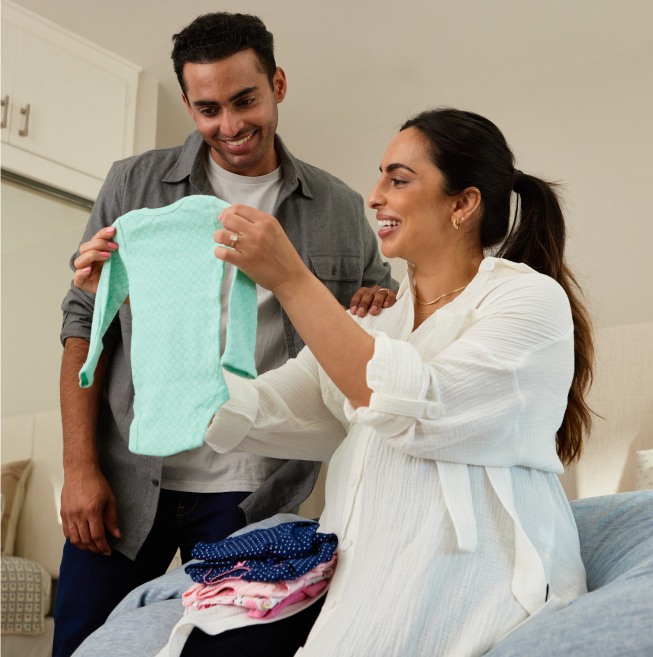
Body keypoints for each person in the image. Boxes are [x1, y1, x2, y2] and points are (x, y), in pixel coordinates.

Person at [141, 106, 591, 657]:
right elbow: (249, 410)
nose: (373, 195)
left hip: (472, 585)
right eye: (379, 176)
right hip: (363, 584)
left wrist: (290, 278)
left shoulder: (527, 300)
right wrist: (153, 293)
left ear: (464, 203)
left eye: (398, 179)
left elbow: (414, 404)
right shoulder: (376, 320)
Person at [55, 12, 395, 657]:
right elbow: (83, 326)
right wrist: (78, 467)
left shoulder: (342, 209)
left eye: (246, 101)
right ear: (188, 103)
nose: (231, 126)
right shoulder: (134, 185)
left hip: (254, 485)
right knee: (83, 646)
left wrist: (379, 305)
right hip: (128, 473)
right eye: (208, 108)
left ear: (278, 85)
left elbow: (371, 333)